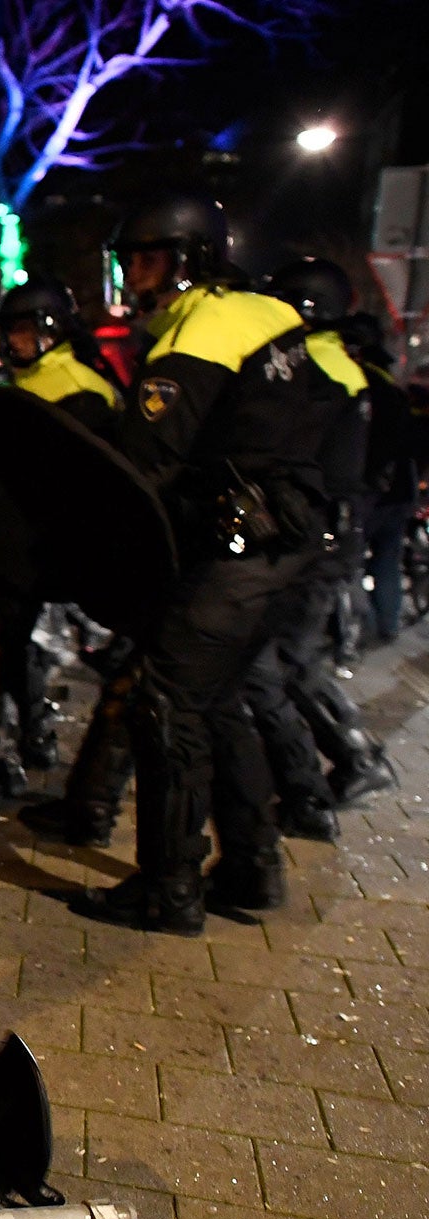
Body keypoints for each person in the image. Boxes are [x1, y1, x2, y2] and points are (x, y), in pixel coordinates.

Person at [78, 192, 329, 933]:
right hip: (281, 540)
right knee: (218, 700)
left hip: (234, 548)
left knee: (165, 702)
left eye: (150, 259)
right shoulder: (269, 316)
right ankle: (251, 866)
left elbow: (145, 463)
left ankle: (170, 887)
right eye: (131, 260)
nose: (137, 275)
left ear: (191, 261)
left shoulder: (202, 330)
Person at [237, 258, 397, 839]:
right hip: (327, 535)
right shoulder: (334, 363)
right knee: (287, 663)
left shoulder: (315, 366)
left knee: (286, 664)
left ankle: (350, 762)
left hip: (318, 541)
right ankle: (342, 765)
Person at [0, 276, 120, 804]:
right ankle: (7, 752)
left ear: (52, 330)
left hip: (59, 548)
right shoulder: (19, 387)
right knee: (1, 649)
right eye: (8, 331)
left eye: (23, 330)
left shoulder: (81, 389)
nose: (14, 342)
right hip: (18, 549)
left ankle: (71, 775)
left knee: (55, 653)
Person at [346, 313, 421, 645]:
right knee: (386, 561)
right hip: (400, 491)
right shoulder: (396, 394)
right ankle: (386, 625)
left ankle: (362, 626)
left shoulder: (364, 387)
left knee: (349, 561)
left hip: (371, 492)